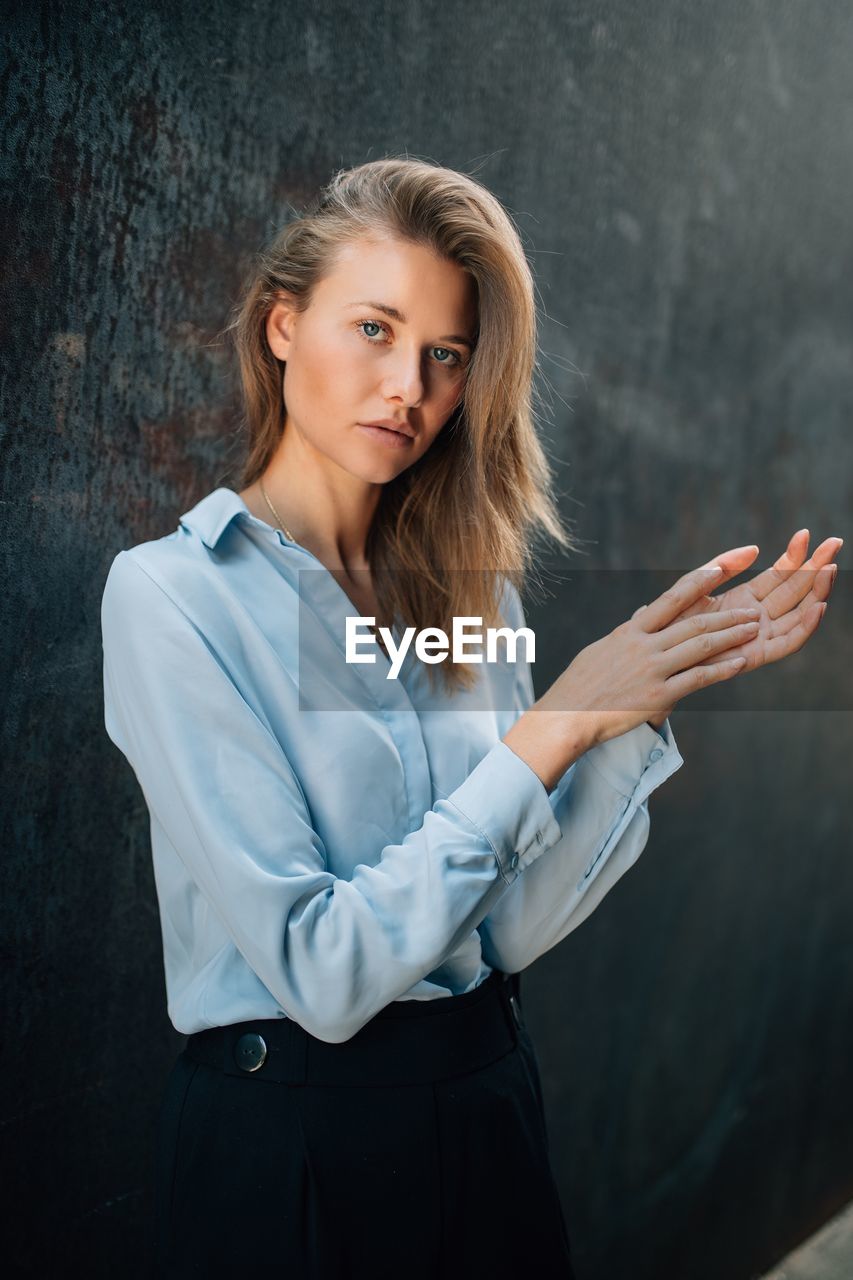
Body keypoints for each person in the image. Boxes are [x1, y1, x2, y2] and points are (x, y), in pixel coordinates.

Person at [100, 157, 841, 1279]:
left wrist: (629, 705)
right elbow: (323, 971)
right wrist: (553, 725)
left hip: (487, 1105)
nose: (409, 385)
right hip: (291, 1146)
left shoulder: (465, 590)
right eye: (373, 328)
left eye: (445, 354)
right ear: (282, 325)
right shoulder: (171, 595)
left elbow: (504, 931)